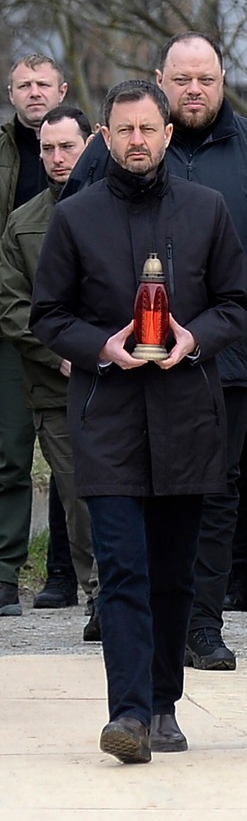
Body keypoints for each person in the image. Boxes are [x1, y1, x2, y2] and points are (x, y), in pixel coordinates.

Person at [65, 32, 247, 672]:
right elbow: (70, 238)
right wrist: (84, 339)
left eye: (205, 79)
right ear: (161, 78)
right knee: (128, 486)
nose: (195, 91)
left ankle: (200, 624)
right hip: (124, 365)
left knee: (215, 489)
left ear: (224, 77)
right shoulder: (118, 148)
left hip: (225, 355)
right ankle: (123, 608)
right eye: (182, 80)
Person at [31, 79, 247, 763]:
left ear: (166, 134)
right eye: (124, 130)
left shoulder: (208, 209)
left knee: (171, 573)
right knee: (124, 569)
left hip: (187, 415)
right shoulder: (76, 215)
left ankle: (163, 703)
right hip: (108, 418)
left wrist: (194, 338)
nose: (137, 141)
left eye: (148, 129)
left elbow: (239, 304)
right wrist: (101, 346)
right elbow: (48, 315)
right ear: (105, 135)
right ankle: (127, 712)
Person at [0, 106, 99, 636]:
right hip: (55, 381)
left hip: (124, 375)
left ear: (91, 145)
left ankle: (127, 592)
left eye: (68, 147)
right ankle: (98, 595)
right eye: (48, 149)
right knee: (77, 495)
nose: (58, 158)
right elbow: (13, 304)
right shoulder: (24, 221)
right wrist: (59, 351)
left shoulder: (118, 206)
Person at [0, 54, 68, 617]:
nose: (33, 92)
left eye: (43, 83)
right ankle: (5, 572)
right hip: (11, 317)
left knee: (77, 456)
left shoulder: (84, 151)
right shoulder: (3, 151)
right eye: (23, 84)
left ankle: (70, 576)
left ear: (61, 90)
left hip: (74, 330)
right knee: (10, 452)